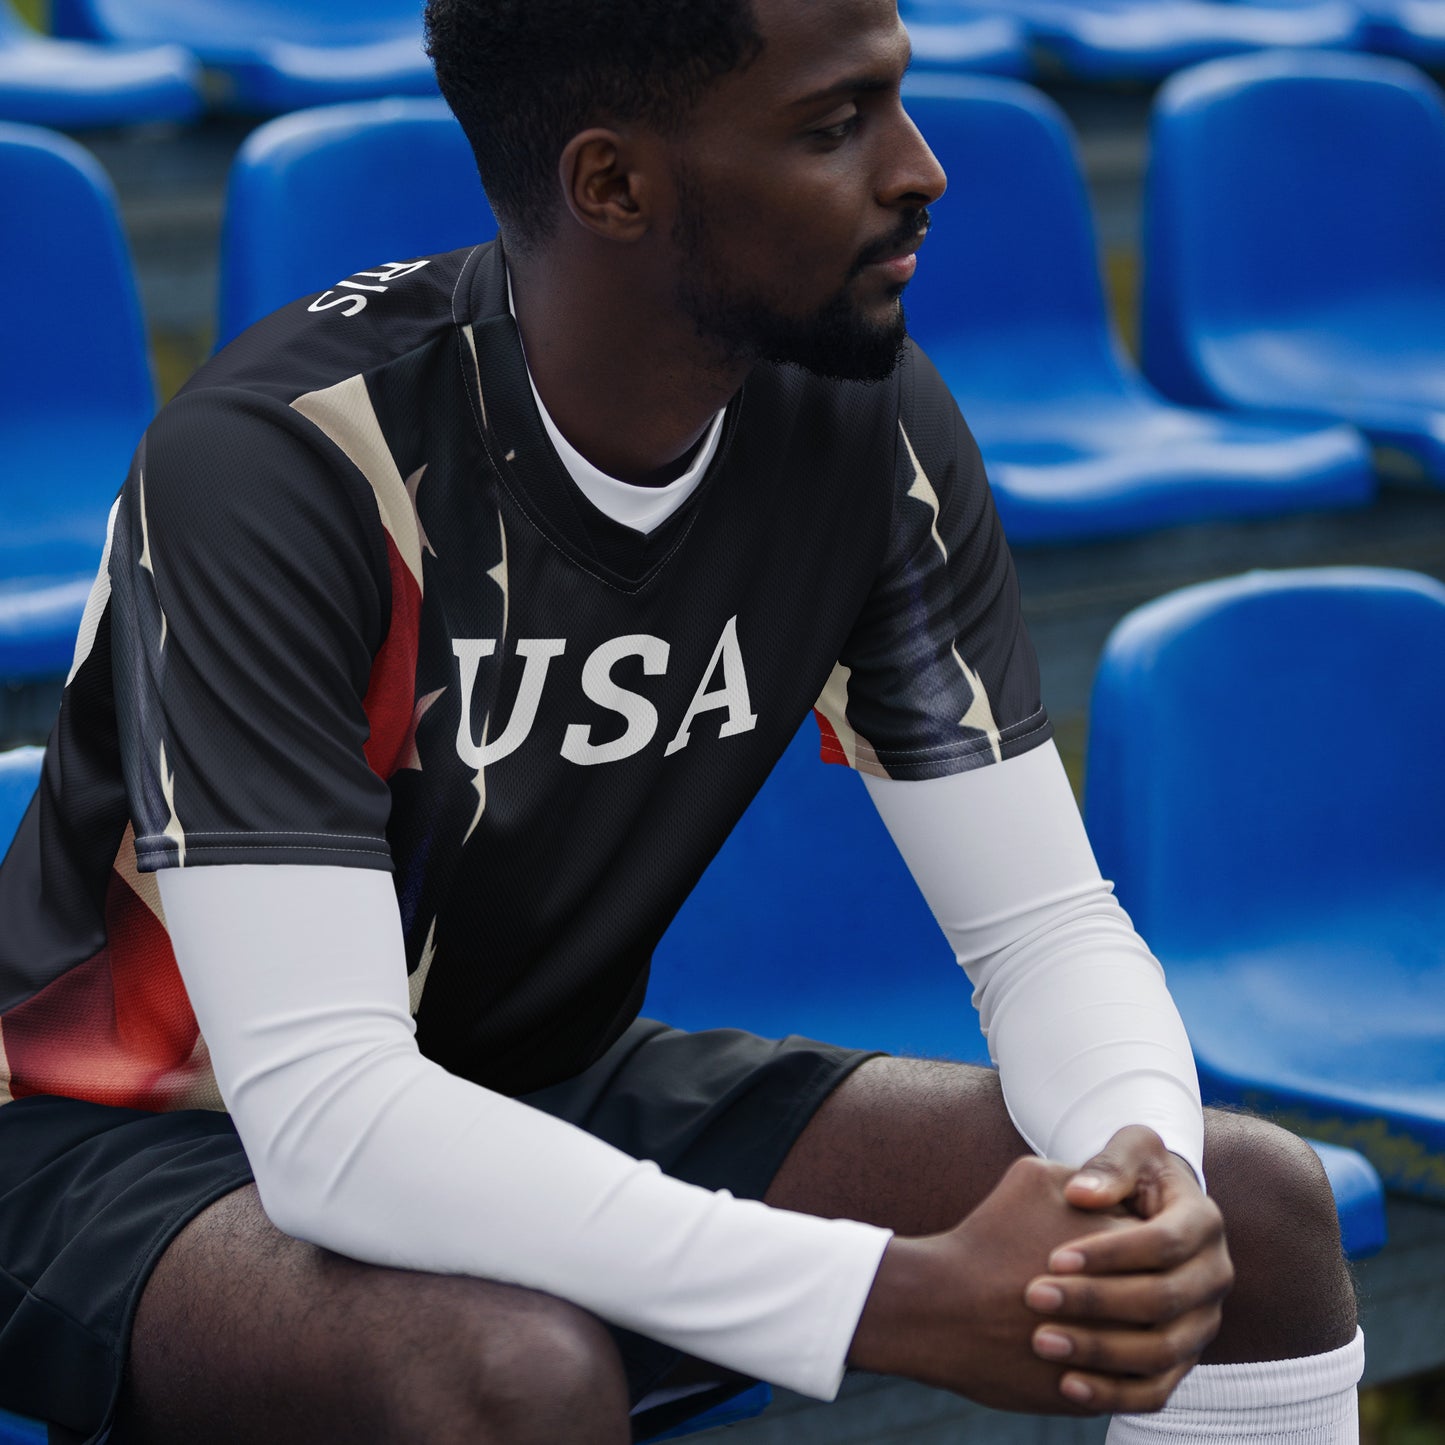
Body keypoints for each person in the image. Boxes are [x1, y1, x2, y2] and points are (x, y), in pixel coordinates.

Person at [0, 0, 1362, 1441]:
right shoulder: (277, 470)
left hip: (531, 1074)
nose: (921, 169)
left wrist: (1138, 1171)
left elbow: (1044, 928)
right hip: (123, 1142)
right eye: (834, 125)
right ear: (614, 184)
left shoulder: (863, 420)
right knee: (514, 1377)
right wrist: (887, 1296)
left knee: (1248, 1207)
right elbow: (328, 1117)